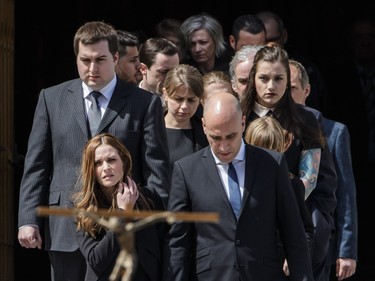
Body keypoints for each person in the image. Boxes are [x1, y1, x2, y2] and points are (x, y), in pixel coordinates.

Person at [17, 21, 171, 281]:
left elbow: (157, 171)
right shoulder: (51, 99)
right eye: (84, 60)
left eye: (100, 59)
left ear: (115, 57)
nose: (92, 68)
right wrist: (28, 219)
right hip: (66, 229)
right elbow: (37, 164)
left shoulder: (144, 103)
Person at [163, 91, 314, 281]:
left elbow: (294, 234)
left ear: (243, 123)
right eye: (216, 138)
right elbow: (178, 242)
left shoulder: (272, 164)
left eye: (231, 136)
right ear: (203, 126)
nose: (224, 146)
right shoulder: (187, 171)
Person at [240, 43, 337, 281]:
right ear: (253, 79)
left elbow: (312, 178)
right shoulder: (238, 116)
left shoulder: (306, 120)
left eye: (278, 78)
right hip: (246, 221)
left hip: (295, 219)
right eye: (263, 78)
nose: (271, 86)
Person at [289, 59, 358, 281]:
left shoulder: (333, 132)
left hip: (320, 239)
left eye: (291, 88)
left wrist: (346, 250)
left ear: (306, 90)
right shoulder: (264, 128)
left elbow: (345, 194)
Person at [72, 133, 165, 281]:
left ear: (124, 162)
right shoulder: (82, 208)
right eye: (98, 163)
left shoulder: (149, 198)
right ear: (91, 169)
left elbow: (163, 249)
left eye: (112, 160)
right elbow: (96, 260)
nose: (106, 168)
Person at [244, 115, 314, 276]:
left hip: (277, 265)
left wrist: (293, 258)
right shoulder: (237, 181)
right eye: (258, 149)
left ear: (281, 149)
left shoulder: (292, 183)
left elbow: (305, 230)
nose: (266, 157)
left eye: (272, 151)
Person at [255, 10, 328, 114]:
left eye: (270, 40)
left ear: (284, 36)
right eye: (263, 78)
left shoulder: (306, 70)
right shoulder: (246, 67)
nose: (266, 46)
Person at [162, 64, 208, 167]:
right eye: (178, 99)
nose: (184, 106)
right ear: (165, 94)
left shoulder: (206, 131)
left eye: (191, 100)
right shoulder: (151, 128)